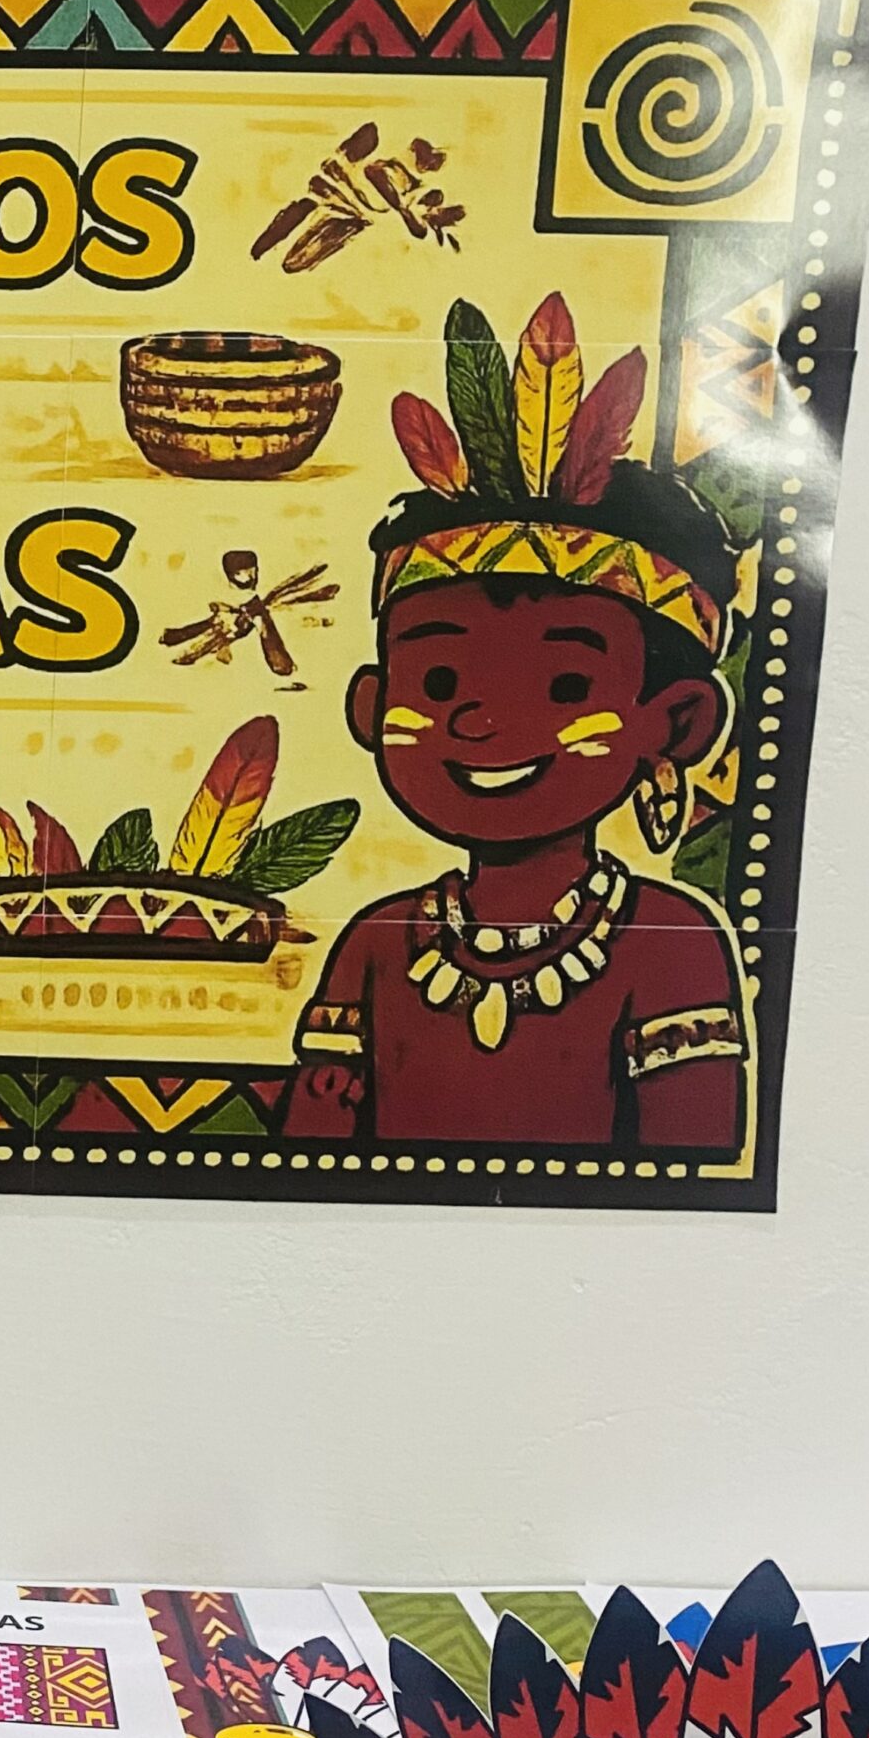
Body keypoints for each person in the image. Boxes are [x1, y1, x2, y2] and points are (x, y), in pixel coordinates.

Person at [284, 293, 748, 1150]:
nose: (481, 718)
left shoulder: (669, 943)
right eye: (440, 679)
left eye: (566, 685)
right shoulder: (377, 943)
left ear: (675, 723)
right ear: (371, 707)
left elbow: (692, 1172)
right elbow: (307, 1160)